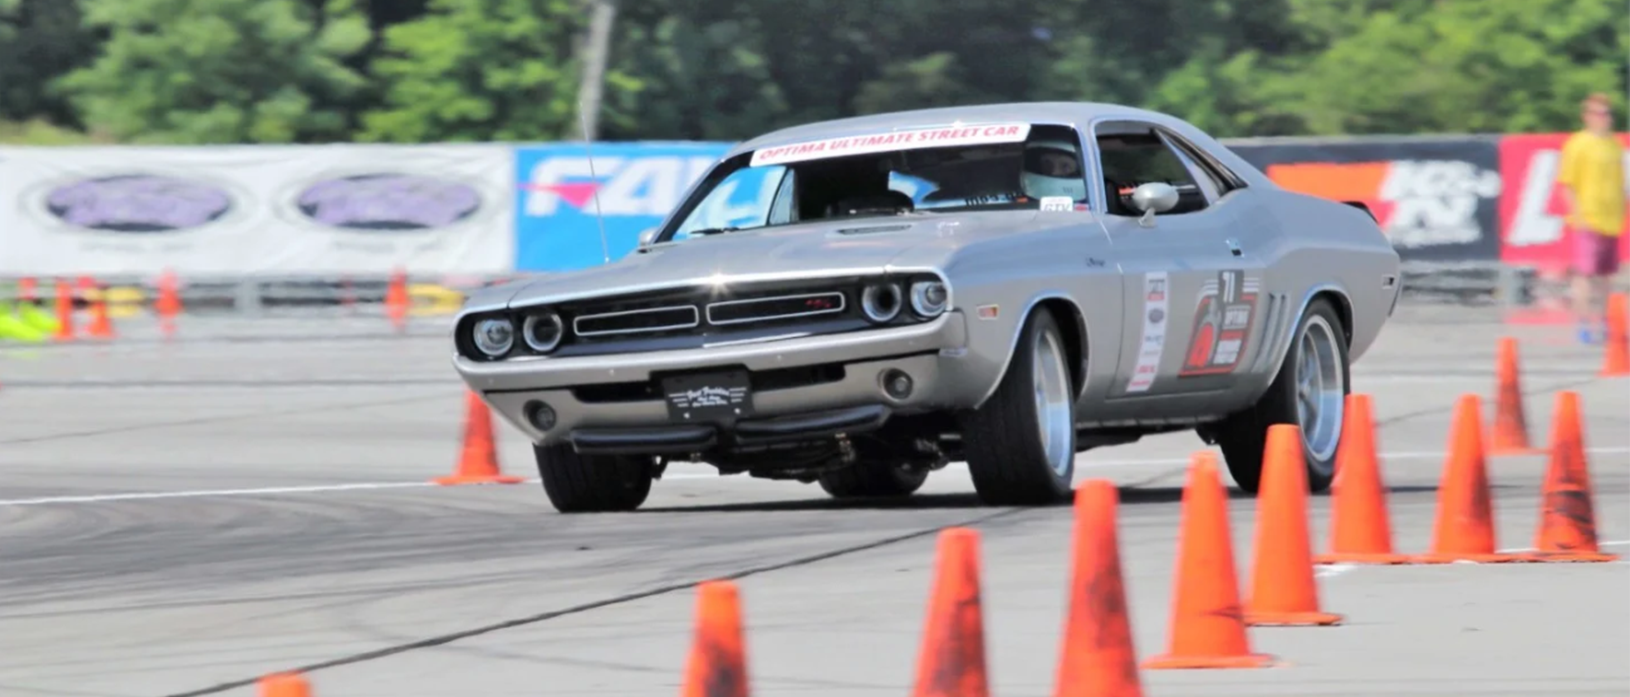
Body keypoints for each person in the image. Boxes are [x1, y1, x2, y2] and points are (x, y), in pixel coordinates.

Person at [1556, 92, 1625, 343]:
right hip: (1588, 217)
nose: (1603, 118)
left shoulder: (1614, 144)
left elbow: (1620, 182)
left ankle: (1607, 321)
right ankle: (1583, 324)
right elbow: (1567, 183)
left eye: (1606, 114)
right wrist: (1577, 213)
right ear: (1587, 116)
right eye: (1597, 113)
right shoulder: (1578, 144)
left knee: (1606, 275)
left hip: (1611, 219)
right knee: (1585, 273)